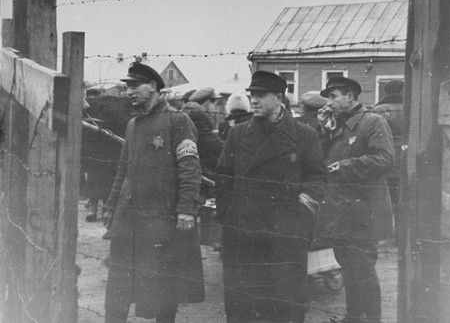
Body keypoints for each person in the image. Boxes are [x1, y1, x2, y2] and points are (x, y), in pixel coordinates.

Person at [216, 70, 328, 323]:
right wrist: (228, 218)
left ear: (279, 98)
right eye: (252, 95)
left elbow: (317, 179)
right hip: (243, 234)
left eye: (261, 95)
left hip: (284, 236)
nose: (253, 100)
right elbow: (223, 177)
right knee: (245, 305)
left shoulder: (304, 135)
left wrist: (298, 219)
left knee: (283, 305)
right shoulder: (238, 134)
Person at [103, 62, 205, 323]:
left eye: (135, 86)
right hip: (129, 220)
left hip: (161, 221)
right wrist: (111, 207)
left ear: (154, 87)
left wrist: (186, 210)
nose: (129, 92)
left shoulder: (178, 121)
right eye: (127, 87)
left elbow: (190, 170)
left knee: (163, 291)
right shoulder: (133, 124)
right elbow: (122, 171)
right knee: (119, 288)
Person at [318, 76, 395, 323]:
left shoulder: (373, 122)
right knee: (348, 266)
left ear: (349, 96)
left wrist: (346, 165)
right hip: (341, 211)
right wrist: (323, 130)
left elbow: (385, 159)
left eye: (333, 96)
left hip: (363, 212)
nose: (328, 102)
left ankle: (372, 319)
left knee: (363, 269)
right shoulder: (336, 126)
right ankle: (353, 317)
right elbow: (320, 159)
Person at [373, 80, 404, 243]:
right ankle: (401, 235)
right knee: (402, 197)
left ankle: (384, 235)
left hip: (386, 156)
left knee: (384, 197)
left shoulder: (379, 110)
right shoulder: (411, 106)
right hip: (407, 157)